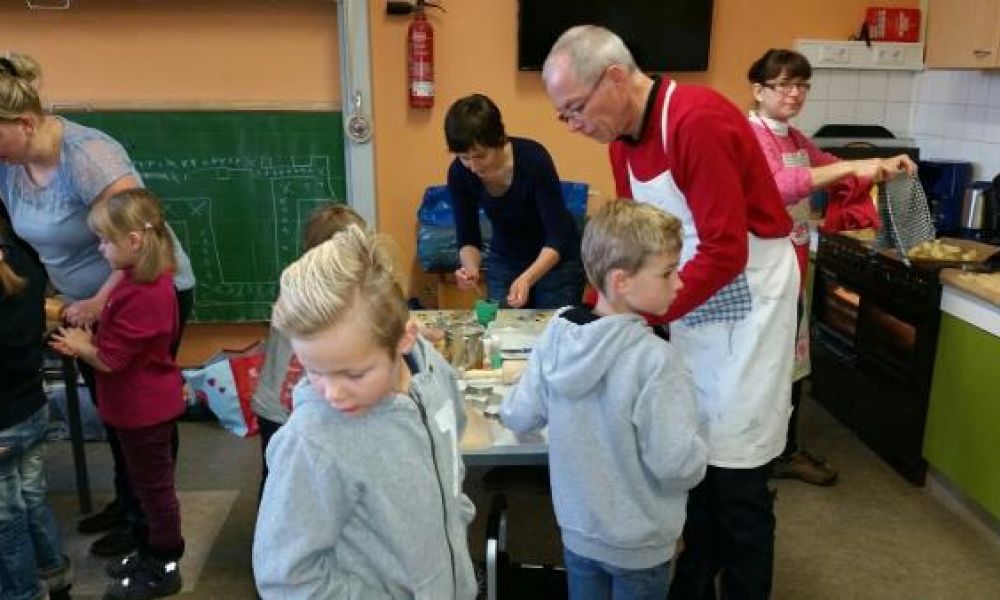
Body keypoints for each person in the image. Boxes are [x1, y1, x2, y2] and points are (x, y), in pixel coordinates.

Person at [543, 25, 799, 600]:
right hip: (683, 300)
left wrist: (644, 318)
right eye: (563, 116)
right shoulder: (620, 143)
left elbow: (726, 249)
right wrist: (594, 314)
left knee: (736, 478)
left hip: (746, 307)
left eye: (575, 109)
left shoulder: (694, 120)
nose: (573, 125)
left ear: (614, 77)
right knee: (690, 460)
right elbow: (624, 247)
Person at [0, 51, 196, 558]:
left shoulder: (88, 157)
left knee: (138, 408)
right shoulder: (13, 162)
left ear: (23, 123)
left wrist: (96, 304)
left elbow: (138, 241)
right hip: (84, 303)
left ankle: (147, 516)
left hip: (134, 295)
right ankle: (130, 501)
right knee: (115, 409)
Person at [253, 225, 477, 599]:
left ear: (406, 337)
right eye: (313, 371)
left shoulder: (435, 374)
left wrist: (455, 520)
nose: (333, 393)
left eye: (354, 373)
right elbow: (286, 578)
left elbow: (451, 461)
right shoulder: (311, 442)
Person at [501, 200, 707, 600]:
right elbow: (676, 465)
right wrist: (701, 448)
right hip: (641, 543)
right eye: (667, 273)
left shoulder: (558, 331)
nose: (679, 283)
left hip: (578, 531)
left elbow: (519, 415)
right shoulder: (658, 360)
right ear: (621, 282)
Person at [746, 48, 917, 486]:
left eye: (802, 85)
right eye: (784, 85)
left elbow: (833, 170)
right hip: (760, 273)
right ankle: (757, 454)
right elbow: (777, 187)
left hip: (792, 267)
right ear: (759, 90)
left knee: (791, 362)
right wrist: (855, 165)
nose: (795, 94)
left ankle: (782, 449)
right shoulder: (752, 136)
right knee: (767, 365)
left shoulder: (794, 139)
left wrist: (882, 167)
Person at [50, 189, 185, 600]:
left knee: (155, 490)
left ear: (134, 241)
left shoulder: (144, 294)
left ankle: (164, 564)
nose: (100, 247)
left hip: (143, 410)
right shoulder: (133, 279)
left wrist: (80, 344)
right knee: (141, 485)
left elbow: (111, 361)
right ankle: (147, 549)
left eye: (106, 240)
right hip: (133, 406)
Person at [250, 202, 365, 497]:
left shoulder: (306, 278)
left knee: (288, 478)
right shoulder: (311, 290)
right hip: (282, 409)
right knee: (281, 481)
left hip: (287, 402)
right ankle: (272, 535)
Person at [445, 93, 584, 308]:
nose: (473, 166)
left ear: (499, 140)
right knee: (503, 330)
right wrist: (470, 269)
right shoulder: (458, 173)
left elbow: (557, 236)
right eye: (464, 157)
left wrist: (526, 279)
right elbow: (467, 235)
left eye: (480, 156)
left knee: (553, 329)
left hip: (557, 260)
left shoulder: (534, 160)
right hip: (506, 256)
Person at [1, 216, 72, 600]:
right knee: (32, 496)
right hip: (31, 405)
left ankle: (23, 592)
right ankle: (55, 575)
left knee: (6, 519)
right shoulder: (23, 253)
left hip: (4, 421)